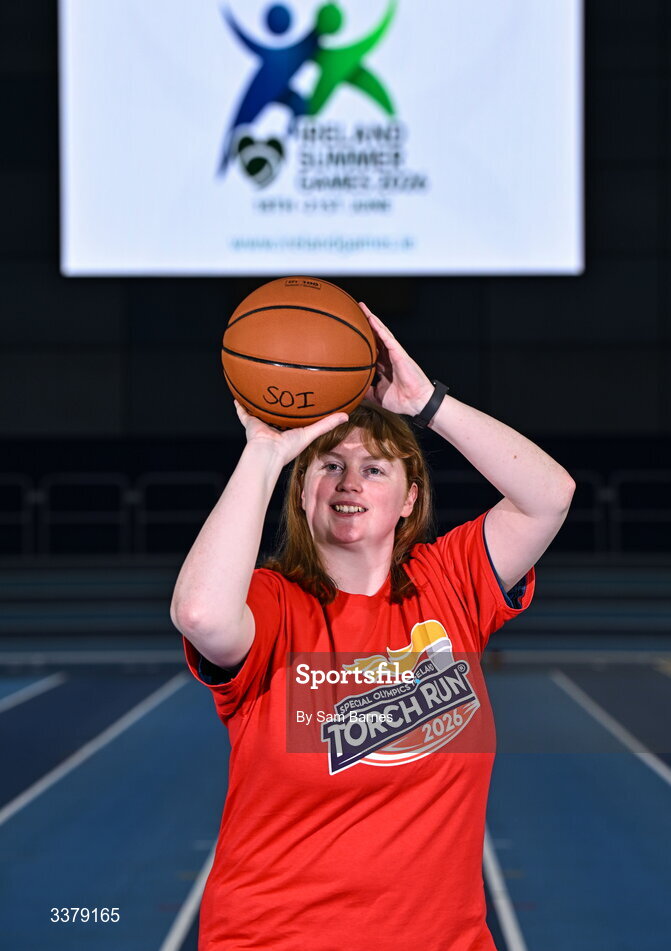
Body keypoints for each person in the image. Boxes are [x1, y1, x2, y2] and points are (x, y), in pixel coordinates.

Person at [170, 303, 575, 951]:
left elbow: (548, 495)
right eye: (327, 464)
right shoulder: (273, 607)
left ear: (409, 496)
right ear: (301, 491)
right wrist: (266, 451)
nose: (349, 480)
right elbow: (200, 613)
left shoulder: (452, 582)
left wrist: (425, 402)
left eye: (374, 466)